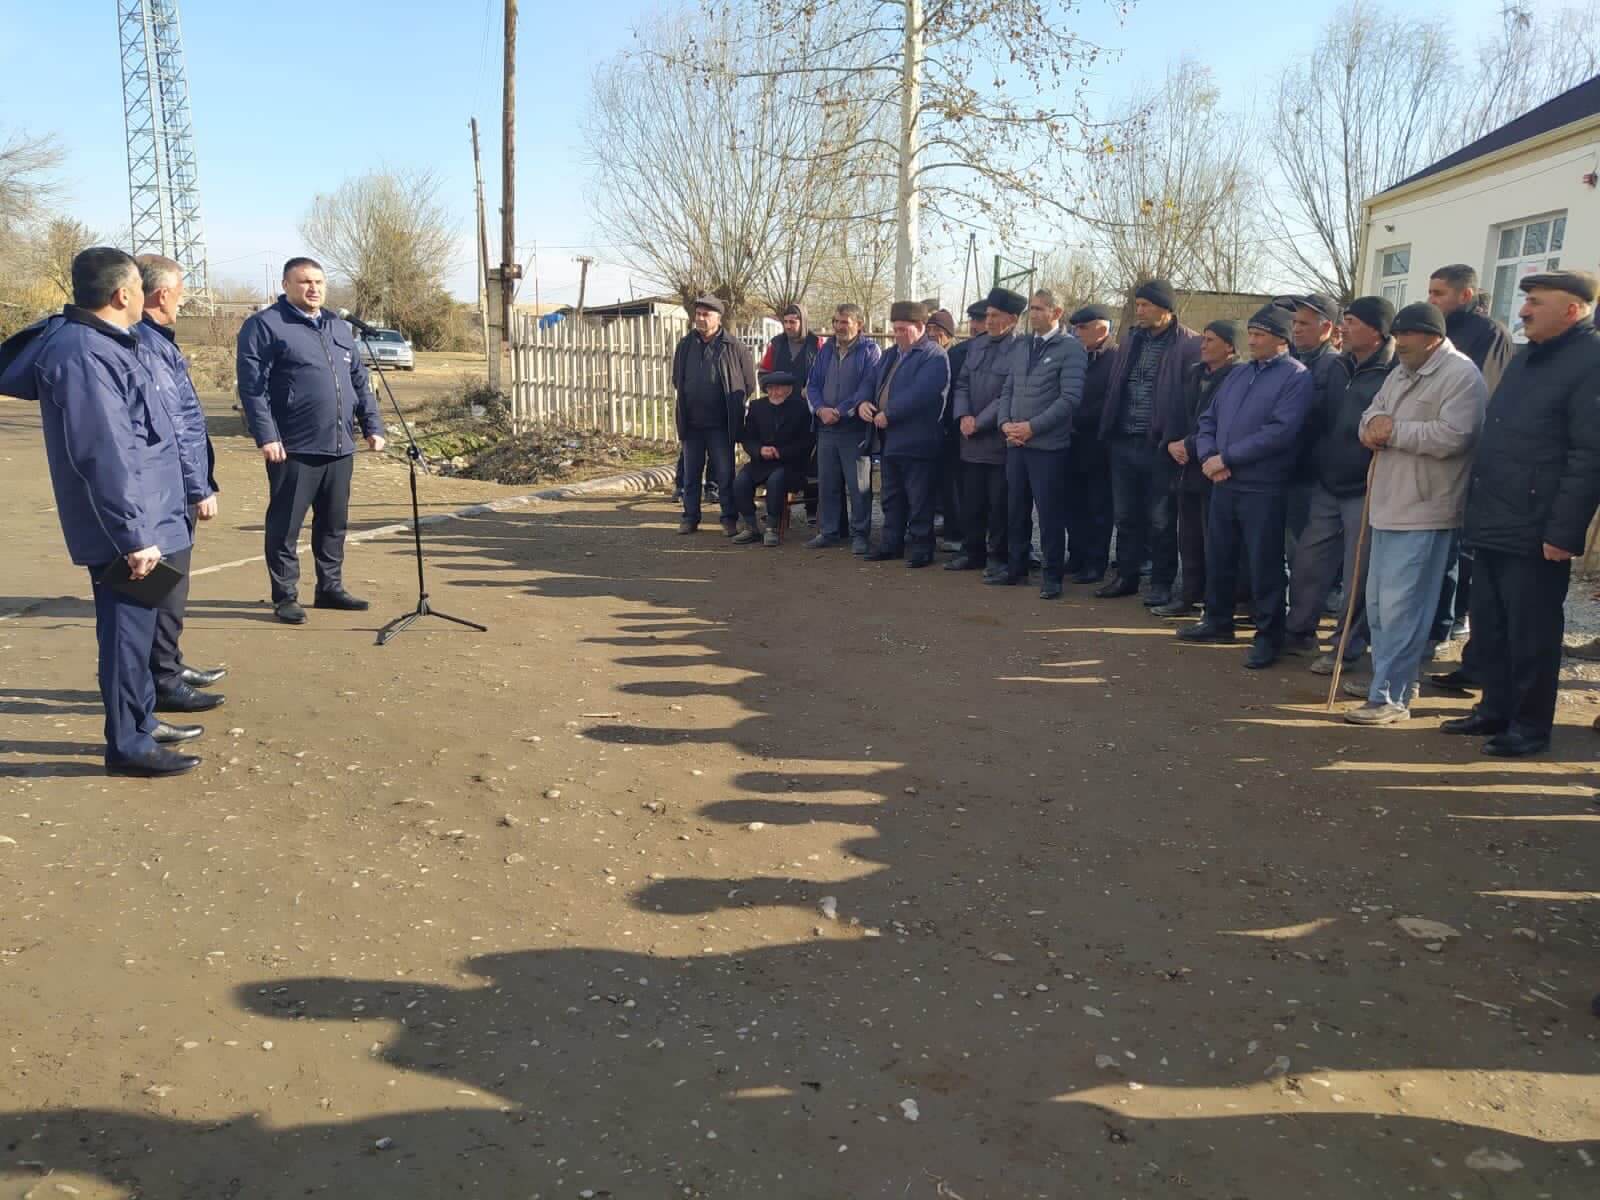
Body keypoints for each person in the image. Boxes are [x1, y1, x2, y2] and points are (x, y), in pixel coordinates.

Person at [0, 248, 200, 776]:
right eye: (140, 286)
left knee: (139, 630)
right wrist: (133, 535)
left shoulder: (113, 342)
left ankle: (142, 721)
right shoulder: (84, 353)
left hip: (149, 513)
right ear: (124, 294)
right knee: (125, 635)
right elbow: (103, 450)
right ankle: (128, 746)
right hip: (125, 526)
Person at [1445, 271, 1600, 756]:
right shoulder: (1528, 355)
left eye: (1535, 301)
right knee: (1492, 624)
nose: (1523, 311)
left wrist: (1563, 531)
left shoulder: (1590, 360)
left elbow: (1588, 455)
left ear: (1572, 310)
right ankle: (1495, 708)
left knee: (1532, 634)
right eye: (1525, 300)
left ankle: (1530, 727)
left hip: (1537, 528)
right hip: (1496, 515)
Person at [1343, 302, 1486, 725]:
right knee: (1380, 605)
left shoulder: (1461, 376)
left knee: (1405, 607)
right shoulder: (1401, 370)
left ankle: (1392, 696)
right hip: (1386, 502)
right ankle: (1385, 681)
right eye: (1397, 335)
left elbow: (1458, 436)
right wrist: (1369, 429)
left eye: (1407, 335)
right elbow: (1372, 415)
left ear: (1433, 338)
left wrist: (1395, 431)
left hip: (1426, 508)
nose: (1398, 342)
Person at [237, 257, 386, 624]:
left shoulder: (337, 326)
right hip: (293, 446)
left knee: (333, 522)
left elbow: (358, 380)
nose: (314, 288)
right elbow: (253, 389)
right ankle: (285, 595)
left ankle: (330, 587)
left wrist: (372, 424)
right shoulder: (266, 326)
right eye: (304, 282)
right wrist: (267, 435)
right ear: (286, 285)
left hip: (339, 444)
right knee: (286, 525)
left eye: (319, 282)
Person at [1178, 304, 1312, 669]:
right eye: (1250, 334)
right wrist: (1208, 456)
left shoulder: (1296, 377)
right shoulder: (1238, 375)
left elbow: (1280, 432)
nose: (1251, 341)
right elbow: (1209, 418)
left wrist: (1228, 458)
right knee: (1219, 554)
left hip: (1262, 486)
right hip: (1223, 481)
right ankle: (1217, 621)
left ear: (1281, 340)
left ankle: (1269, 636)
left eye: (1260, 335)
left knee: (1264, 563)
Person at [131, 254, 226, 719]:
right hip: (165, 493)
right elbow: (175, 426)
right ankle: (162, 681)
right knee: (164, 591)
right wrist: (198, 486)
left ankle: (168, 665)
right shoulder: (144, 344)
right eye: (182, 291)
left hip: (171, 489)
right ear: (163, 293)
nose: (183, 300)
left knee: (173, 588)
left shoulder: (156, 342)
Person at [1281, 296, 1396, 674]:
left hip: (1366, 487)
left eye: (1352, 322)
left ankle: (1346, 647)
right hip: (1327, 483)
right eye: (1343, 320)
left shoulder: (1394, 371)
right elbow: (1319, 419)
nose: (1343, 328)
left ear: (1377, 331)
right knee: (1309, 562)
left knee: (1356, 575)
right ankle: (1298, 632)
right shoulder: (1339, 366)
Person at [1426, 264, 1515, 663]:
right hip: (1428, 450)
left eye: (1439, 293)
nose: (1432, 300)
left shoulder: (1489, 334)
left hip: (1467, 456)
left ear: (1466, 296)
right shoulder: (1436, 333)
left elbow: (1482, 396)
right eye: (1430, 293)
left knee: (1459, 547)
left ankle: (1453, 618)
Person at [1097, 279, 1201, 607]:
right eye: (1137, 304)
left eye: (1146, 305)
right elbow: (1117, 385)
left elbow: (1192, 398)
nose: (1139, 311)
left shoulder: (1188, 344)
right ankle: (1126, 576)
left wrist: (1178, 437)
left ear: (1166, 310)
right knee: (1125, 515)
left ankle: (1161, 582)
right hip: (1124, 439)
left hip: (1160, 445)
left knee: (1161, 518)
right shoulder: (1131, 339)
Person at [987, 290, 1086, 598]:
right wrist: (1005, 423)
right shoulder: (1022, 346)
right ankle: (1016, 569)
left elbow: (1069, 399)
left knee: (1049, 513)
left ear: (1057, 312)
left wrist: (1032, 427)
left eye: (1040, 309)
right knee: (1015, 509)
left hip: (1048, 448)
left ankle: (1052, 576)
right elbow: (1008, 389)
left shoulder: (1071, 349)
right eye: (1031, 308)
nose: (1033, 314)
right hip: (1016, 443)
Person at [857, 301, 951, 566]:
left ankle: (922, 547)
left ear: (920, 327)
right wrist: (863, 402)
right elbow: (869, 381)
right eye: (894, 329)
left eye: (902, 329)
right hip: (889, 440)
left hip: (918, 440)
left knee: (919, 497)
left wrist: (891, 413)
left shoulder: (933, 356)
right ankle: (891, 543)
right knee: (891, 495)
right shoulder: (890, 355)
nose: (896, 334)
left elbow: (923, 394)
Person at [1159, 319, 1239, 618]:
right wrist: (1170, 443)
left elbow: (1224, 423)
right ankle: (1189, 595)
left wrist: (1189, 445)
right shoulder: (1194, 375)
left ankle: (1216, 602)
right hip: (1184, 468)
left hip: (1214, 469)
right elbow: (1175, 412)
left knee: (1214, 540)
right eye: (1203, 339)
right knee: (1188, 537)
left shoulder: (1236, 377)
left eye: (1210, 340)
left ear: (1230, 346)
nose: (1203, 346)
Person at [948, 287, 1024, 576]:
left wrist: (979, 421)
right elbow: (963, 382)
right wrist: (964, 415)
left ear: (1013, 318)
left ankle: (998, 557)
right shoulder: (977, 345)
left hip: (997, 441)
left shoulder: (1020, 348)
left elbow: (1009, 392)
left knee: (999, 505)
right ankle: (972, 552)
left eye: (995, 315)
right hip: (970, 439)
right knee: (972, 502)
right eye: (987, 315)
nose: (988, 321)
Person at [670, 296, 758, 538]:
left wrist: (731, 406)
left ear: (718, 318)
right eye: (697, 314)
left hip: (721, 425)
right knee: (690, 475)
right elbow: (677, 379)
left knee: (724, 474)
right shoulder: (686, 345)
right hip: (693, 424)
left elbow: (749, 383)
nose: (700, 318)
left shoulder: (734, 347)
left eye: (705, 314)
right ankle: (690, 518)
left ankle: (728, 519)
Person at [804, 302, 882, 554]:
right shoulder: (825, 349)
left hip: (854, 429)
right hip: (826, 428)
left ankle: (860, 535)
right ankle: (829, 532)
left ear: (858, 324)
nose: (838, 326)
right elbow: (813, 384)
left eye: (844, 322)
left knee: (859, 486)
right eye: (836, 321)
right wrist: (819, 409)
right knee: (827, 484)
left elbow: (867, 387)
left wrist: (841, 411)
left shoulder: (870, 351)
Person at [1286, 293, 1349, 556]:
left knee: (1307, 554)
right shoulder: (1295, 361)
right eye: (1295, 323)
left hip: (1312, 477)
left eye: (1305, 324)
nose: (1296, 329)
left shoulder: (1334, 366)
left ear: (1326, 328)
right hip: (1289, 472)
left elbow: (1332, 423)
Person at [731, 369, 815, 546]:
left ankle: (772, 528)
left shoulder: (800, 408)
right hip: (761, 462)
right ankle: (750, 526)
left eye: (779, 389)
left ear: (788, 390)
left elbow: (806, 442)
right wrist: (759, 450)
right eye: (770, 388)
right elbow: (749, 438)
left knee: (777, 480)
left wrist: (781, 452)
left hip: (790, 463)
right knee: (741, 481)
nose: (774, 392)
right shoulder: (757, 407)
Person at [1065, 304, 1116, 583]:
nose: (1077, 332)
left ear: (1102, 328)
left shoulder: (1115, 358)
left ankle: (1096, 562)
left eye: (1083, 327)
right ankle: (1076, 555)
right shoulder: (1076, 355)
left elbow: (1110, 402)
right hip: (1071, 442)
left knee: (1098, 506)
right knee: (1074, 505)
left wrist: (1074, 415)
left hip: (1098, 444)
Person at [937, 303, 987, 552]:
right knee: (955, 485)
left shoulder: (1012, 352)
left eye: (981, 320)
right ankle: (957, 533)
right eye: (973, 320)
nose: (976, 326)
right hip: (957, 430)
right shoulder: (957, 353)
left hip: (992, 432)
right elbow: (949, 392)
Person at [759, 302, 820, 383]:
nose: (788, 326)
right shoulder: (776, 344)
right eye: (785, 322)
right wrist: (773, 387)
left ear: (803, 323)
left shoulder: (816, 344)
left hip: (807, 395)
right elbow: (763, 372)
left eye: (792, 322)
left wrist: (811, 389)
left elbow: (825, 374)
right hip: (781, 395)